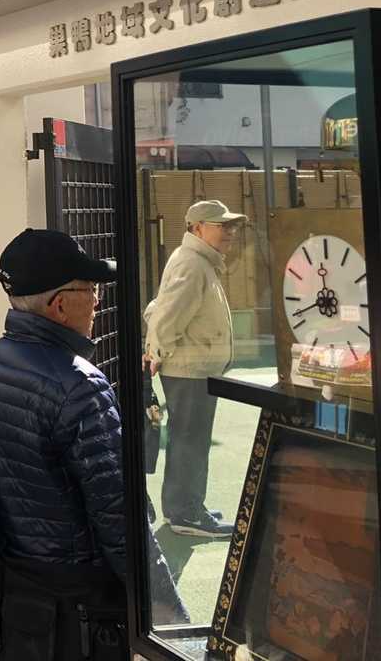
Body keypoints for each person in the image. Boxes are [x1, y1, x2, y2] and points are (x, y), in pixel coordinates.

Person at [0, 229, 125, 660]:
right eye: (90, 290)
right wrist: (163, 615)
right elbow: (117, 514)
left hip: (14, 591)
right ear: (59, 305)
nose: (97, 301)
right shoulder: (81, 386)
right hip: (75, 606)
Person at [142, 199, 243, 538]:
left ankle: (187, 508)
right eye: (222, 225)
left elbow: (158, 308)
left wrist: (157, 348)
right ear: (198, 228)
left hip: (192, 368)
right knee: (190, 441)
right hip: (190, 370)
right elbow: (167, 316)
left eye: (231, 225)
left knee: (191, 439)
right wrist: (156, 350)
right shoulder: (193, 263)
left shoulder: (194, 260)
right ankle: (186, 513)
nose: (230, 232)